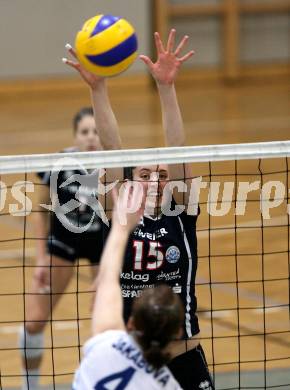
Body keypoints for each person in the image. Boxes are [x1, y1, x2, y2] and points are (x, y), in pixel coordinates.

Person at [65, 29, 214, 390]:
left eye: (161, 174)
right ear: (131, 181)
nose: (155, 180)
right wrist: (97, 89)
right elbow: (113, 148)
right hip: (131, 356)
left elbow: (178, 148)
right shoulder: (121, 211)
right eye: (144, 174)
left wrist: (166, 88)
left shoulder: (181, 212)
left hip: (183, 355)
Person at [19, 106, 119, 390]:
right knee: (33, 322)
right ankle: (30, 386)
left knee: (108, 325)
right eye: (84, 132)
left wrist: (114, 268)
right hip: (62, 244)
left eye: (96, 132)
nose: (91, 138)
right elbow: (38, 210)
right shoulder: (59, 164)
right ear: (75, 136)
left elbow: (119, 215)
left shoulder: (114, 164)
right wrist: (41, 258)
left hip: (102, 246)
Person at [72, 182, 184, 389]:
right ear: (178, 333)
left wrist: (122, 227)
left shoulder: (107, 345)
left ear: (130, 322)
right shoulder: (169, 386)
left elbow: (107, 279)